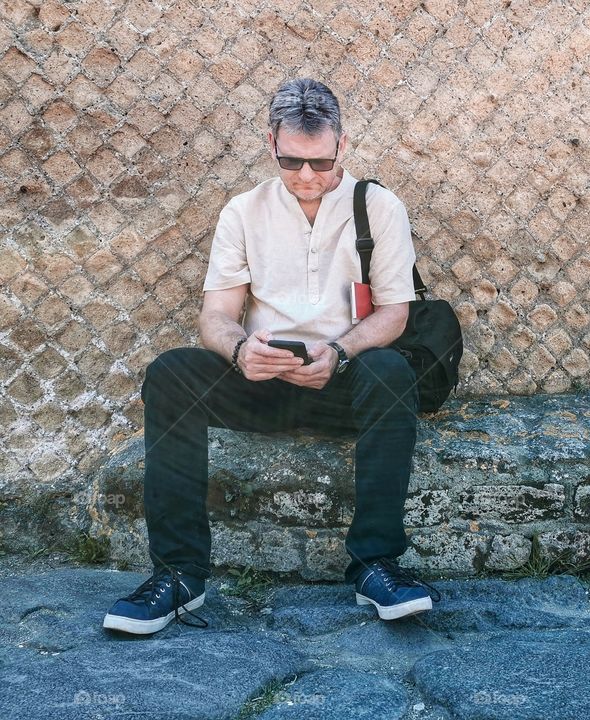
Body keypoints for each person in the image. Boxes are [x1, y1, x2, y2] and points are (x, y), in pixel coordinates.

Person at [103, 78, 440, 635]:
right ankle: (179, 575)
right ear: (271, 145)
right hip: (261, 383)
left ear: (342, 145)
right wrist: (240, 350)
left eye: (320, 161)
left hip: (343, 383)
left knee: (390, 369)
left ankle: (375, 565)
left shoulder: (378, 207)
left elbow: (394, 316)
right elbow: (216, 315)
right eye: (291, 161)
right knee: (169, 374)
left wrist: (339, 351)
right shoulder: (243, 211)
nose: (306, 175)